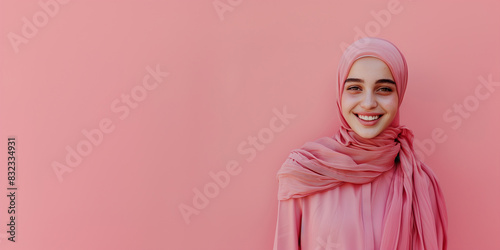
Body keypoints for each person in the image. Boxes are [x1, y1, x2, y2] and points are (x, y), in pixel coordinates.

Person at [273, 37, 448, 250]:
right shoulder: (304, 172)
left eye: (384, 89)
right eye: (355, 87)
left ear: (399, 94)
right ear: (341, 92)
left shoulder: (419, 182)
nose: (368, 103)